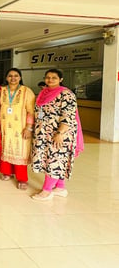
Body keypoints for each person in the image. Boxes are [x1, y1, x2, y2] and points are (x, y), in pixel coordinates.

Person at [31, 69, 84, 201]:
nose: (50, 80)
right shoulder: (44, 93)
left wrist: (60, 133)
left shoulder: (66, 94)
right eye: (48, 77)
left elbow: (68, 115)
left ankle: (47, 191)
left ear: (60, 79)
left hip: (60, 134)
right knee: (53, 159)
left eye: (54, 77)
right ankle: (60, 187)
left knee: (55, 160)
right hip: (45, 133)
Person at [0, 68, 35, 190]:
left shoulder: (26, 91)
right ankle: (7, 172)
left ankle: (22, 178)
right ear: (6, 78)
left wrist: (29, 128)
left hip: (20, 128)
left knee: (20, 152)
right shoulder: (1, 90)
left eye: (16, 76)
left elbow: (31, 111)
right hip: (4, 127)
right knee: (5, 148)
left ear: (20, 77)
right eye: (10, 76)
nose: (13, 78)